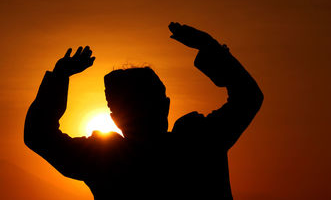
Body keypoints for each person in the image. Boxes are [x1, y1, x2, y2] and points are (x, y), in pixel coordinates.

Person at [24, 22, 263, 199]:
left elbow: (38, 135)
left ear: (114, 118)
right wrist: (209, 48)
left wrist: (60, 77)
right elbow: (248, 96)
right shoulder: (199, 141)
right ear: (166, 105)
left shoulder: (104, 159)